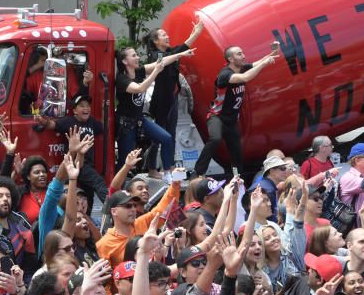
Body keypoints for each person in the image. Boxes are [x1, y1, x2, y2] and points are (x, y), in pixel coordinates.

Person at [194, 43, 278, 178]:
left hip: (231, 121)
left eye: (242, 52)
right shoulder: (225, 75)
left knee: (236, 154)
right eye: (239, 54)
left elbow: (258, 63)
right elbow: (246, 78)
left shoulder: (242, 68)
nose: (243, 56)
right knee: (215, 138)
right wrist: (264, 64)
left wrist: (273, 52)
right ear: (231, 59)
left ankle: (236, 177)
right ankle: (198, 172)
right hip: (217, 116)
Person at [144, 20, 204, 173]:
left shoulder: (170, 52)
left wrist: (195, 33)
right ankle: (152, 168)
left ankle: (169, 167)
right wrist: (181, 53)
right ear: (156, 41)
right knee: (159, 137)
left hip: (173, 98)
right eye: (163, 35)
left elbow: (182, 48)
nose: (167, 36)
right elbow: (165, 60)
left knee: (171, 134)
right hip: (161, 101)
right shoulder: (154, 55)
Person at [114, 46, 186, 170]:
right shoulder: (121, 79)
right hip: (125, 124)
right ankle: (118, 187)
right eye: (134, 55)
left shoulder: (138, 71)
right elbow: (139, 88)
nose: (137, 57)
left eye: (137, 54)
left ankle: (168, 172)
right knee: (125, 161)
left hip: (140, 120)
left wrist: (181, 54)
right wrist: (156, 72)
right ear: (125, 61)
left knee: (166, 138)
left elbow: (161, 62)